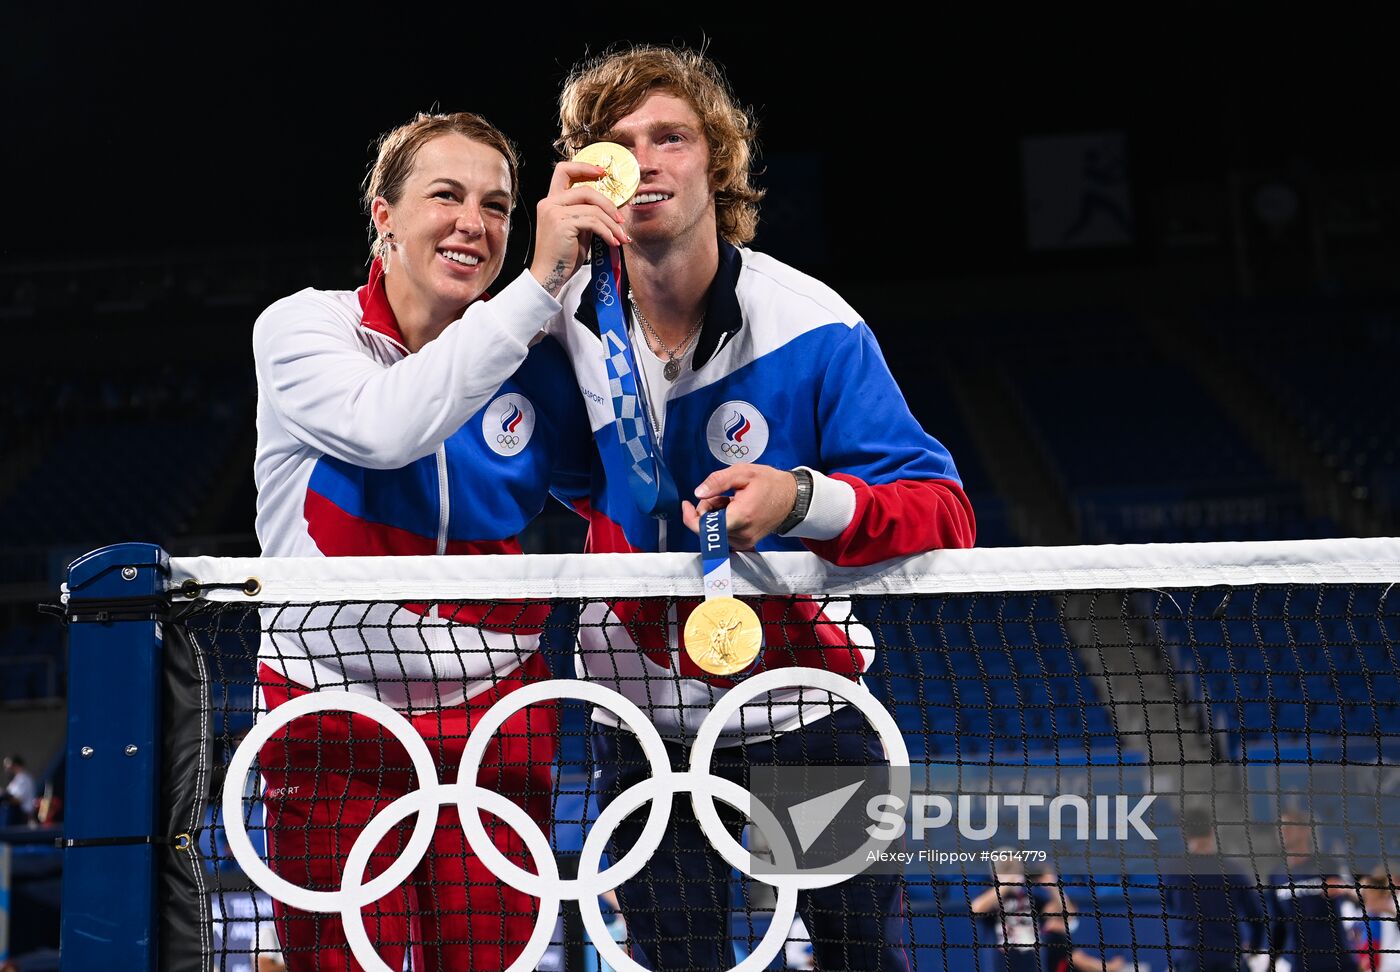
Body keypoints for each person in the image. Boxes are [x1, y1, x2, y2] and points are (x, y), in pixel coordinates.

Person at [543, 45, 975, 970]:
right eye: (618, 145)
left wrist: (801, 500)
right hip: (643, 733)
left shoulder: (812, 323)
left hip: (806, 714)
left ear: (719, 162)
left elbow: (943, 510)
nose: (646, 161)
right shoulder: (549, 327)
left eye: (671, 137)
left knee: (858, 956)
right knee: (678, 960)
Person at [251, 109, 622, 971]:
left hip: (498, 719)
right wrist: (533, 294)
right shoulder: (305, 330)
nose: (474, 223)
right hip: (331, 720)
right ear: (382, 213)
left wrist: (588, 309)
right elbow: (386, 429)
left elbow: (629, 477)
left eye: (497, 205)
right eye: (445, 195)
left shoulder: (542, 351)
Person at [1163, 811, 1270, 972]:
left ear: (1184, 834)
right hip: (1228, 959)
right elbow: (1257, 917)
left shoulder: (1174, 872)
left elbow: (1170, 906)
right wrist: (1254, 947)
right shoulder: (1232, 870)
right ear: (1212, 830)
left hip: (1191, 960)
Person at [1269, 811, 1354, 972]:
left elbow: (1361, 898)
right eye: (1279, 828)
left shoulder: (1329, 865)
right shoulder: (1276, 876)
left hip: (1337, 962)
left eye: (1288, 826)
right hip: (1300, 965)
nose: (1282, 831)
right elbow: (1278, 927)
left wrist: (1345, 889)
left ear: (1305, 830)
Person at [2, 754, 37, 826]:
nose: (8, 770)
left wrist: (4, 795)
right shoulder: (16, 779)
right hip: (16, 816)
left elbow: (18, 800)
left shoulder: (23, 778)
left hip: (24, 818)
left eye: (10, 767)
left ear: (16, 765)